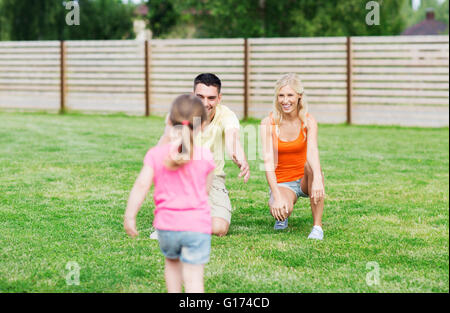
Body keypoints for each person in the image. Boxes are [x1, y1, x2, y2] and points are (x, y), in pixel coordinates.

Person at [124, 94, 215, 293]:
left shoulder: (155, 154)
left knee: (172, 267)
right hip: (196, 227)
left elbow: (141, 186)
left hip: (167, 228)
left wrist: (130, 216)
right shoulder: (206, 156)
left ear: (168, 121)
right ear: (203, 126)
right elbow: (206, 192)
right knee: (194, 281)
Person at [151, 73, 250, 238]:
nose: (205, 103)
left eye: (211, 98)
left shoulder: (226, 115)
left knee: (220, 228)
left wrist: (240, 158)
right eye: (200, 97)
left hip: (214, 177)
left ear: (219, 98)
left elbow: (233, 138)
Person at [260, 73, 325, 240]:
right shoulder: (268, 123)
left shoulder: (309, 121)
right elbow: (267, 163)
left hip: (304, 178)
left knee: (313, 169)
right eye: (281, 95)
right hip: (284, 182)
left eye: (290, 95)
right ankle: (283, 215)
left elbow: (312, 151)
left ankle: (317, 227)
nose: (285, 100)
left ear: (299, 97)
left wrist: (317, 178)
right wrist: (276, 195)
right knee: (282, 209)